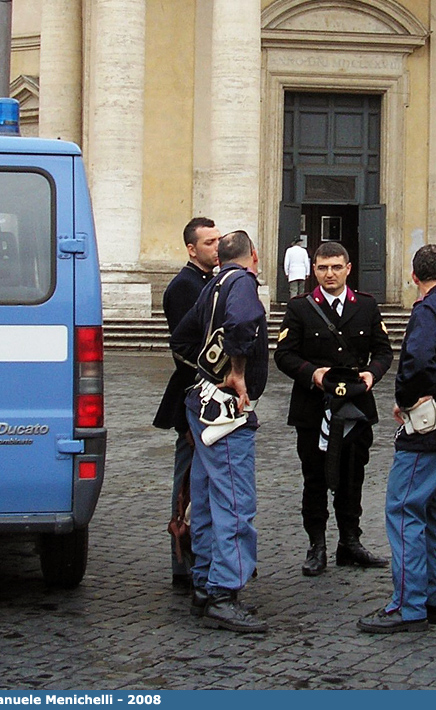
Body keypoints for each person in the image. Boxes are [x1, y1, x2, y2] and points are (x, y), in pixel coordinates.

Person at [357, 244, 436, 633]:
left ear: (414, 277)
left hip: (431, 425)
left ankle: (408, 605)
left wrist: (409, 401)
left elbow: (417, 361)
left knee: (405, 508)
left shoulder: (428, 310)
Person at [274, 241, 393, 577]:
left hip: (355, 406)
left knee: (352, 476)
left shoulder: (366, 307)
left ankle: (350, 542)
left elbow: (384, 351)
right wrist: (312, 373)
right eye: (323, 268)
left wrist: (374, 373)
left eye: (336, 267)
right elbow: (283, 355)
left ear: (348, 269)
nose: (330, 274)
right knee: (314, 478)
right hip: (314, 408)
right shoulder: (300, 308)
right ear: (314, 270)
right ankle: (317, 545)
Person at [171, 230, 269, 633]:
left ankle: (205, 584)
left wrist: (206, 371)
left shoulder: (211, 285)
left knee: (209, 498)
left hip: (200, 401)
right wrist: (236, 372)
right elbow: (244, 322)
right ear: (254, 257)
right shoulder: (243, 283)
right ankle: (225, 592)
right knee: (234, 501)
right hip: (226, 411)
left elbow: (181, 338)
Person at [154, 217, 221, 592]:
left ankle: (201, 555)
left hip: (209, 396)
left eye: (219, 240)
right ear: (192, 249)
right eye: (210, 242)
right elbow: (187, 348)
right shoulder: (183, 287)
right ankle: (183, 561)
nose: (217, 247)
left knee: (203, 480)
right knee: (186, 482)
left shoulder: (211, 282)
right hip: (193, 396)